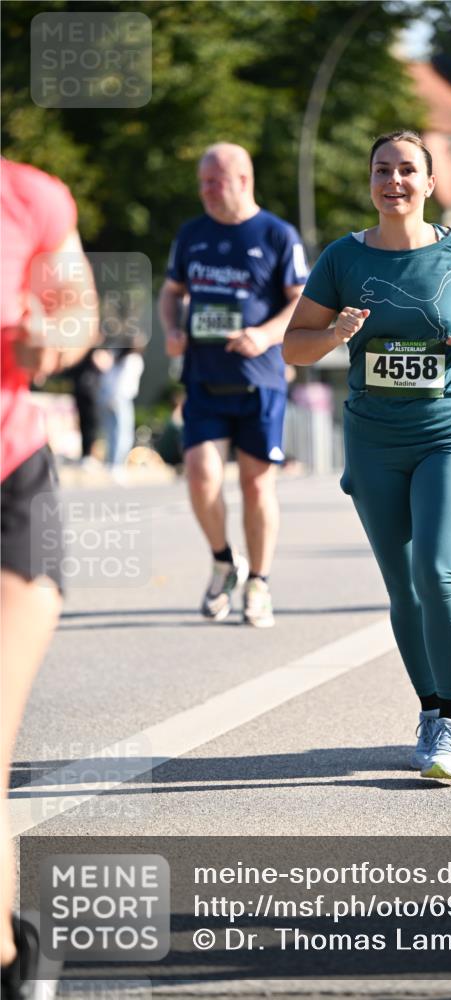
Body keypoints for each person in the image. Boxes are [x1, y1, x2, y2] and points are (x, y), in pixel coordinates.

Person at [283, 130, 451, 781]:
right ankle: (429, 709)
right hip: (374, 438)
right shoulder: (342, 258)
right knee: (403, 586)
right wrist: (332, 333)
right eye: (382, 170)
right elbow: (292, 349)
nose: (394, 181)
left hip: (449, 430)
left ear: (429, 182)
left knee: (438, 571)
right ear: (370, 181)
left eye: (407, 170)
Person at [1, 159, 98, 996]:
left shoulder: (30, 197)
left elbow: (77, 317)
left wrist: (49, 338)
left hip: (9, 485)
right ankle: (12, 952)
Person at [158, 143, 308, 628]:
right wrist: (172, 331)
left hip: (259, 381)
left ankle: (259, 582)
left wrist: (264, 335)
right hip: (204, 376)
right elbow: (171, 292)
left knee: (255, 482)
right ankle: (224, 560)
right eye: (202, 182)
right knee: (201, 476)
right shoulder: (191, 234)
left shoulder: (277, 234)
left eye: (212, 181)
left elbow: (301, 302)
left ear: (242, 179)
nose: (204, 191)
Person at [99, 342, 145, 473]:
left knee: (112, 432)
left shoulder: (119, 358)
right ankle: (116, 464)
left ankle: (112, 462)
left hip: (110, 397)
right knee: (122, 434)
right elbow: (122, 382)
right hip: (120, 398)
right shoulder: (132, 359)